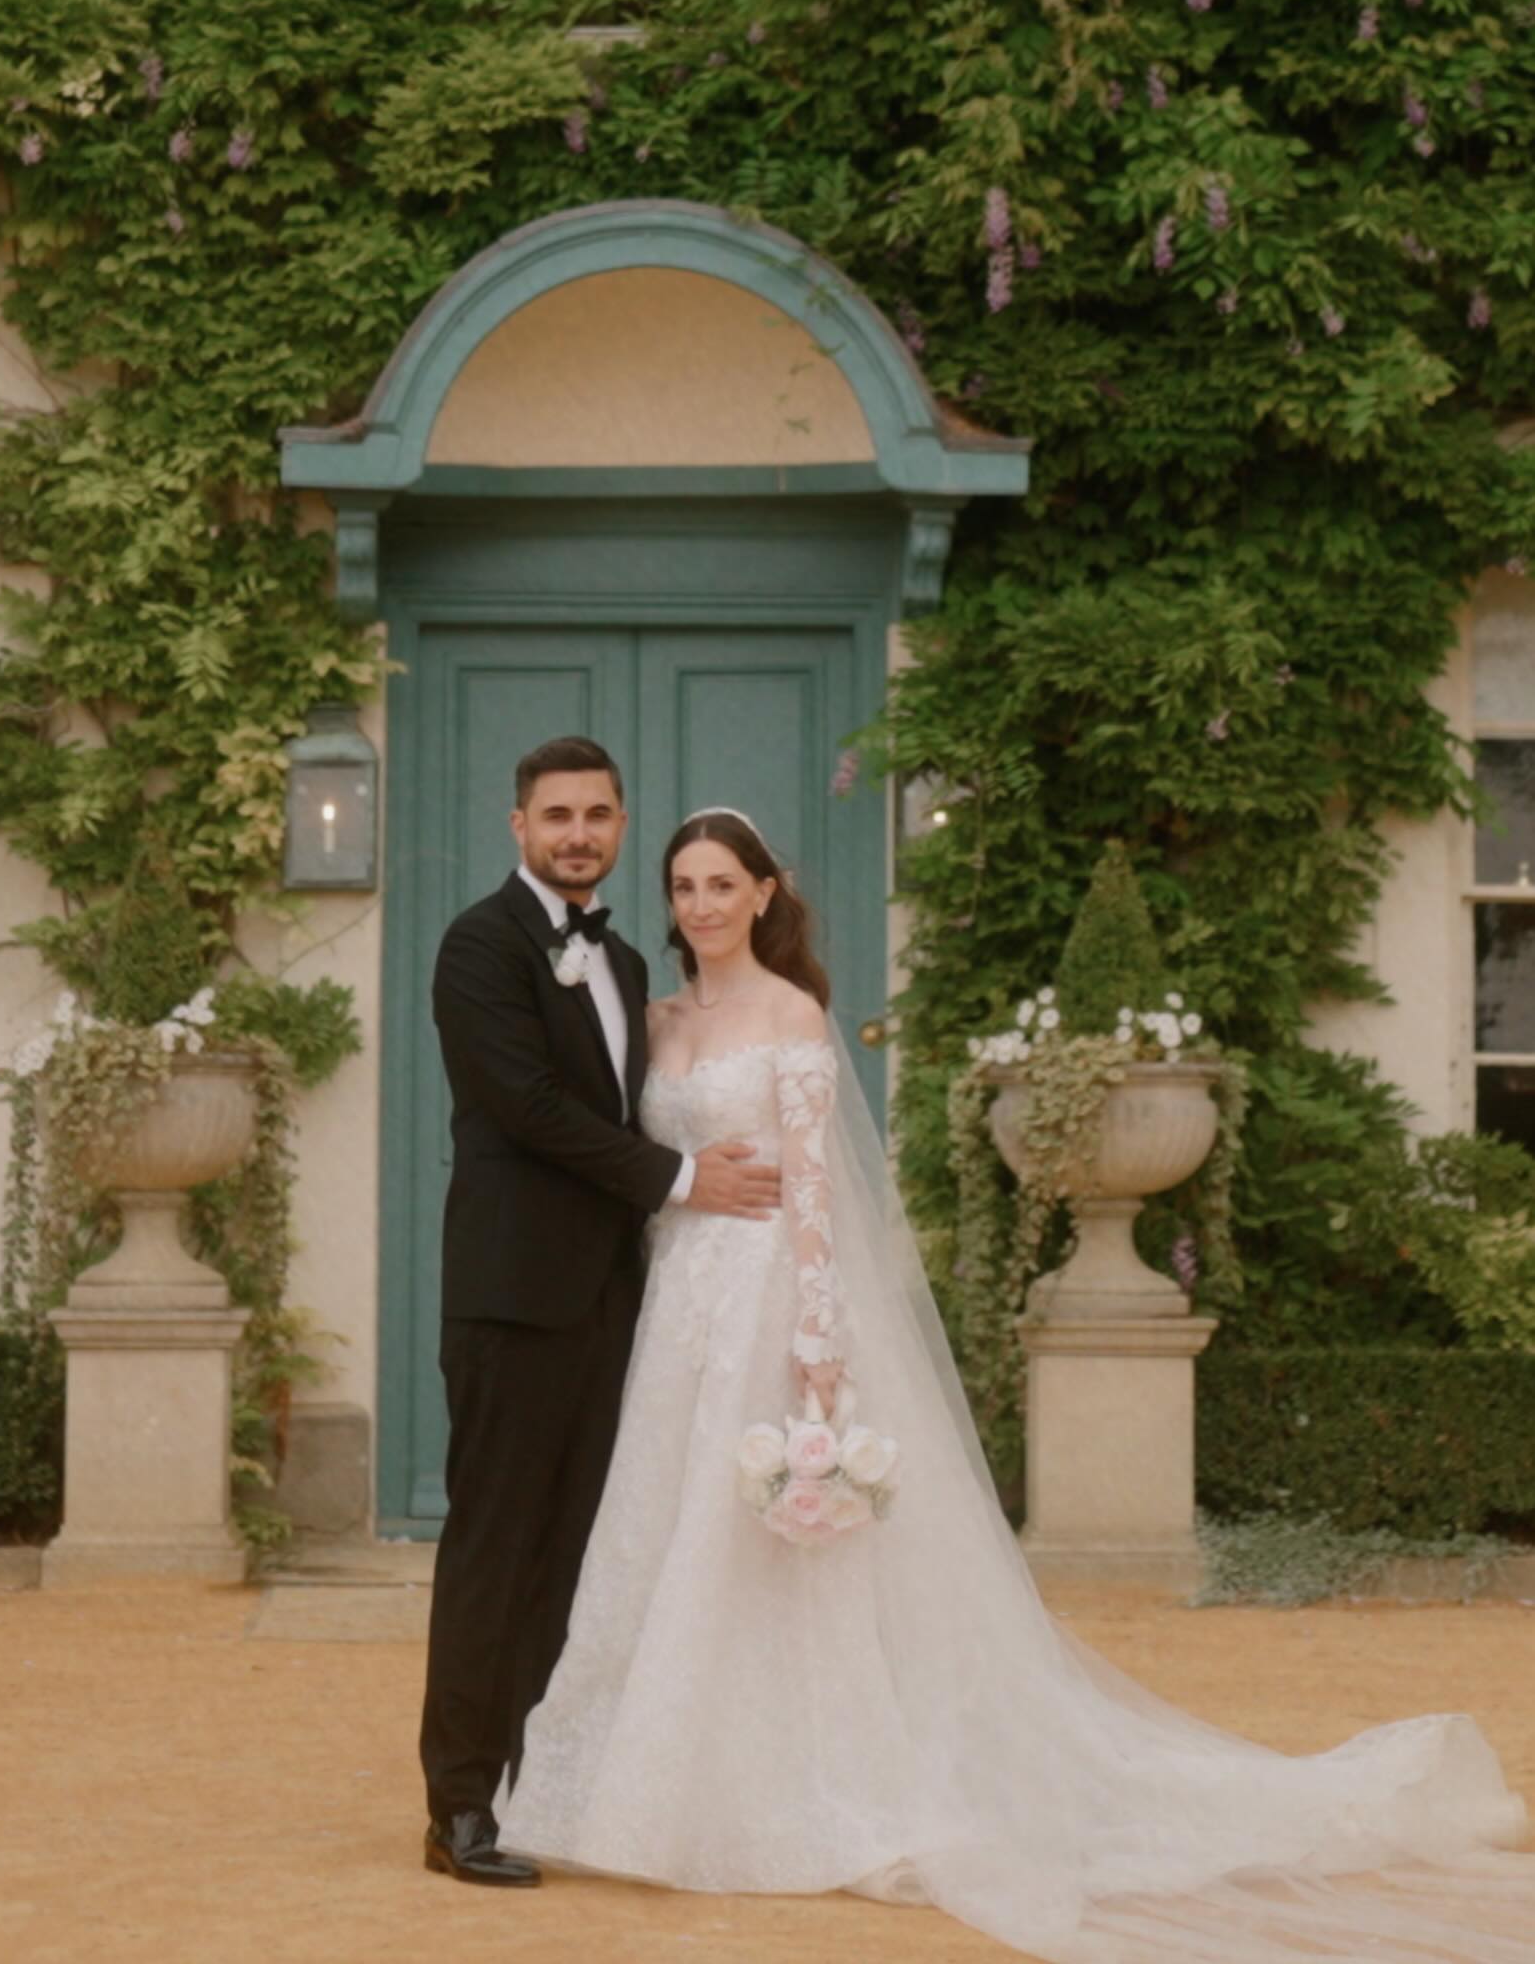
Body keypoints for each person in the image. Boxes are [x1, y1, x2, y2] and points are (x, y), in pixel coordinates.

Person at [501, 806, 1535, 1963]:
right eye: (684, 886)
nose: (700, 905)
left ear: (764, 894)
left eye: (721, 885)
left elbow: (819, 1192)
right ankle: (644, 1788)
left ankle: (800, 1789)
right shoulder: (654, 1018)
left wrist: (820, 1339)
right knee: (664, 1528)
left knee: (770, 1557)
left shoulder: (793, 1016)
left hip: (763, 1309)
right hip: (676, 1304)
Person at [418, 741, 785, 1887]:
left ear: (621, 825)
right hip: (513, 1301)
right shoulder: (478, 946)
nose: (577, 833)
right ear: (517, 824)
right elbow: (523, 1107)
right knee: (494, 1549)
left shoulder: (625, 961)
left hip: (619, 1306)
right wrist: (682, 1182)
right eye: (556, 815)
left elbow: (639, 1102)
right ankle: (461, 1807)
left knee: (575, 1557)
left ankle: (542, 1781)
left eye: (597, 815)